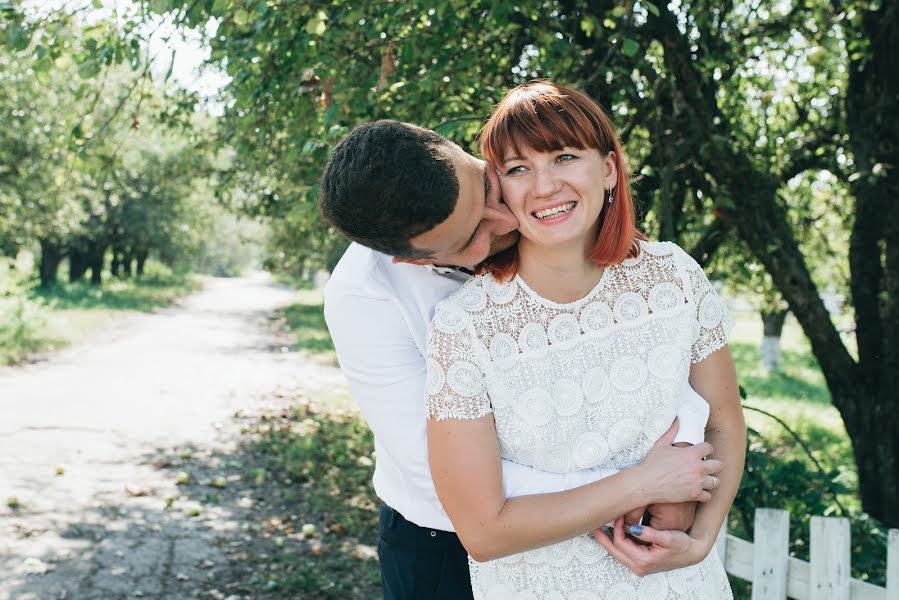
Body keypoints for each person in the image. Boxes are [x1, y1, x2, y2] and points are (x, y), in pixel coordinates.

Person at [320, 120, 722, 599]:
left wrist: (670, 477)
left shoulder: (550, 217)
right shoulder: (362, 299)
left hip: (622, 539)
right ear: (415, 260)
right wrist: (644, 484)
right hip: (444, 548)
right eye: (475, 234)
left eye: (489, 188)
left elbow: (656, 368)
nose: (508, 220)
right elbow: (443, 477)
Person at [424, 81, 745, 598]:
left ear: (609, 169)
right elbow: (482, 532)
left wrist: (701, 541)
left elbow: (726, 423)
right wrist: (643, 484)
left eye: (564, 157)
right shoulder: (465, 327)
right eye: (518, 169)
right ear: (499, 189)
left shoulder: (672, 278)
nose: (544, 186)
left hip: (678, 584)